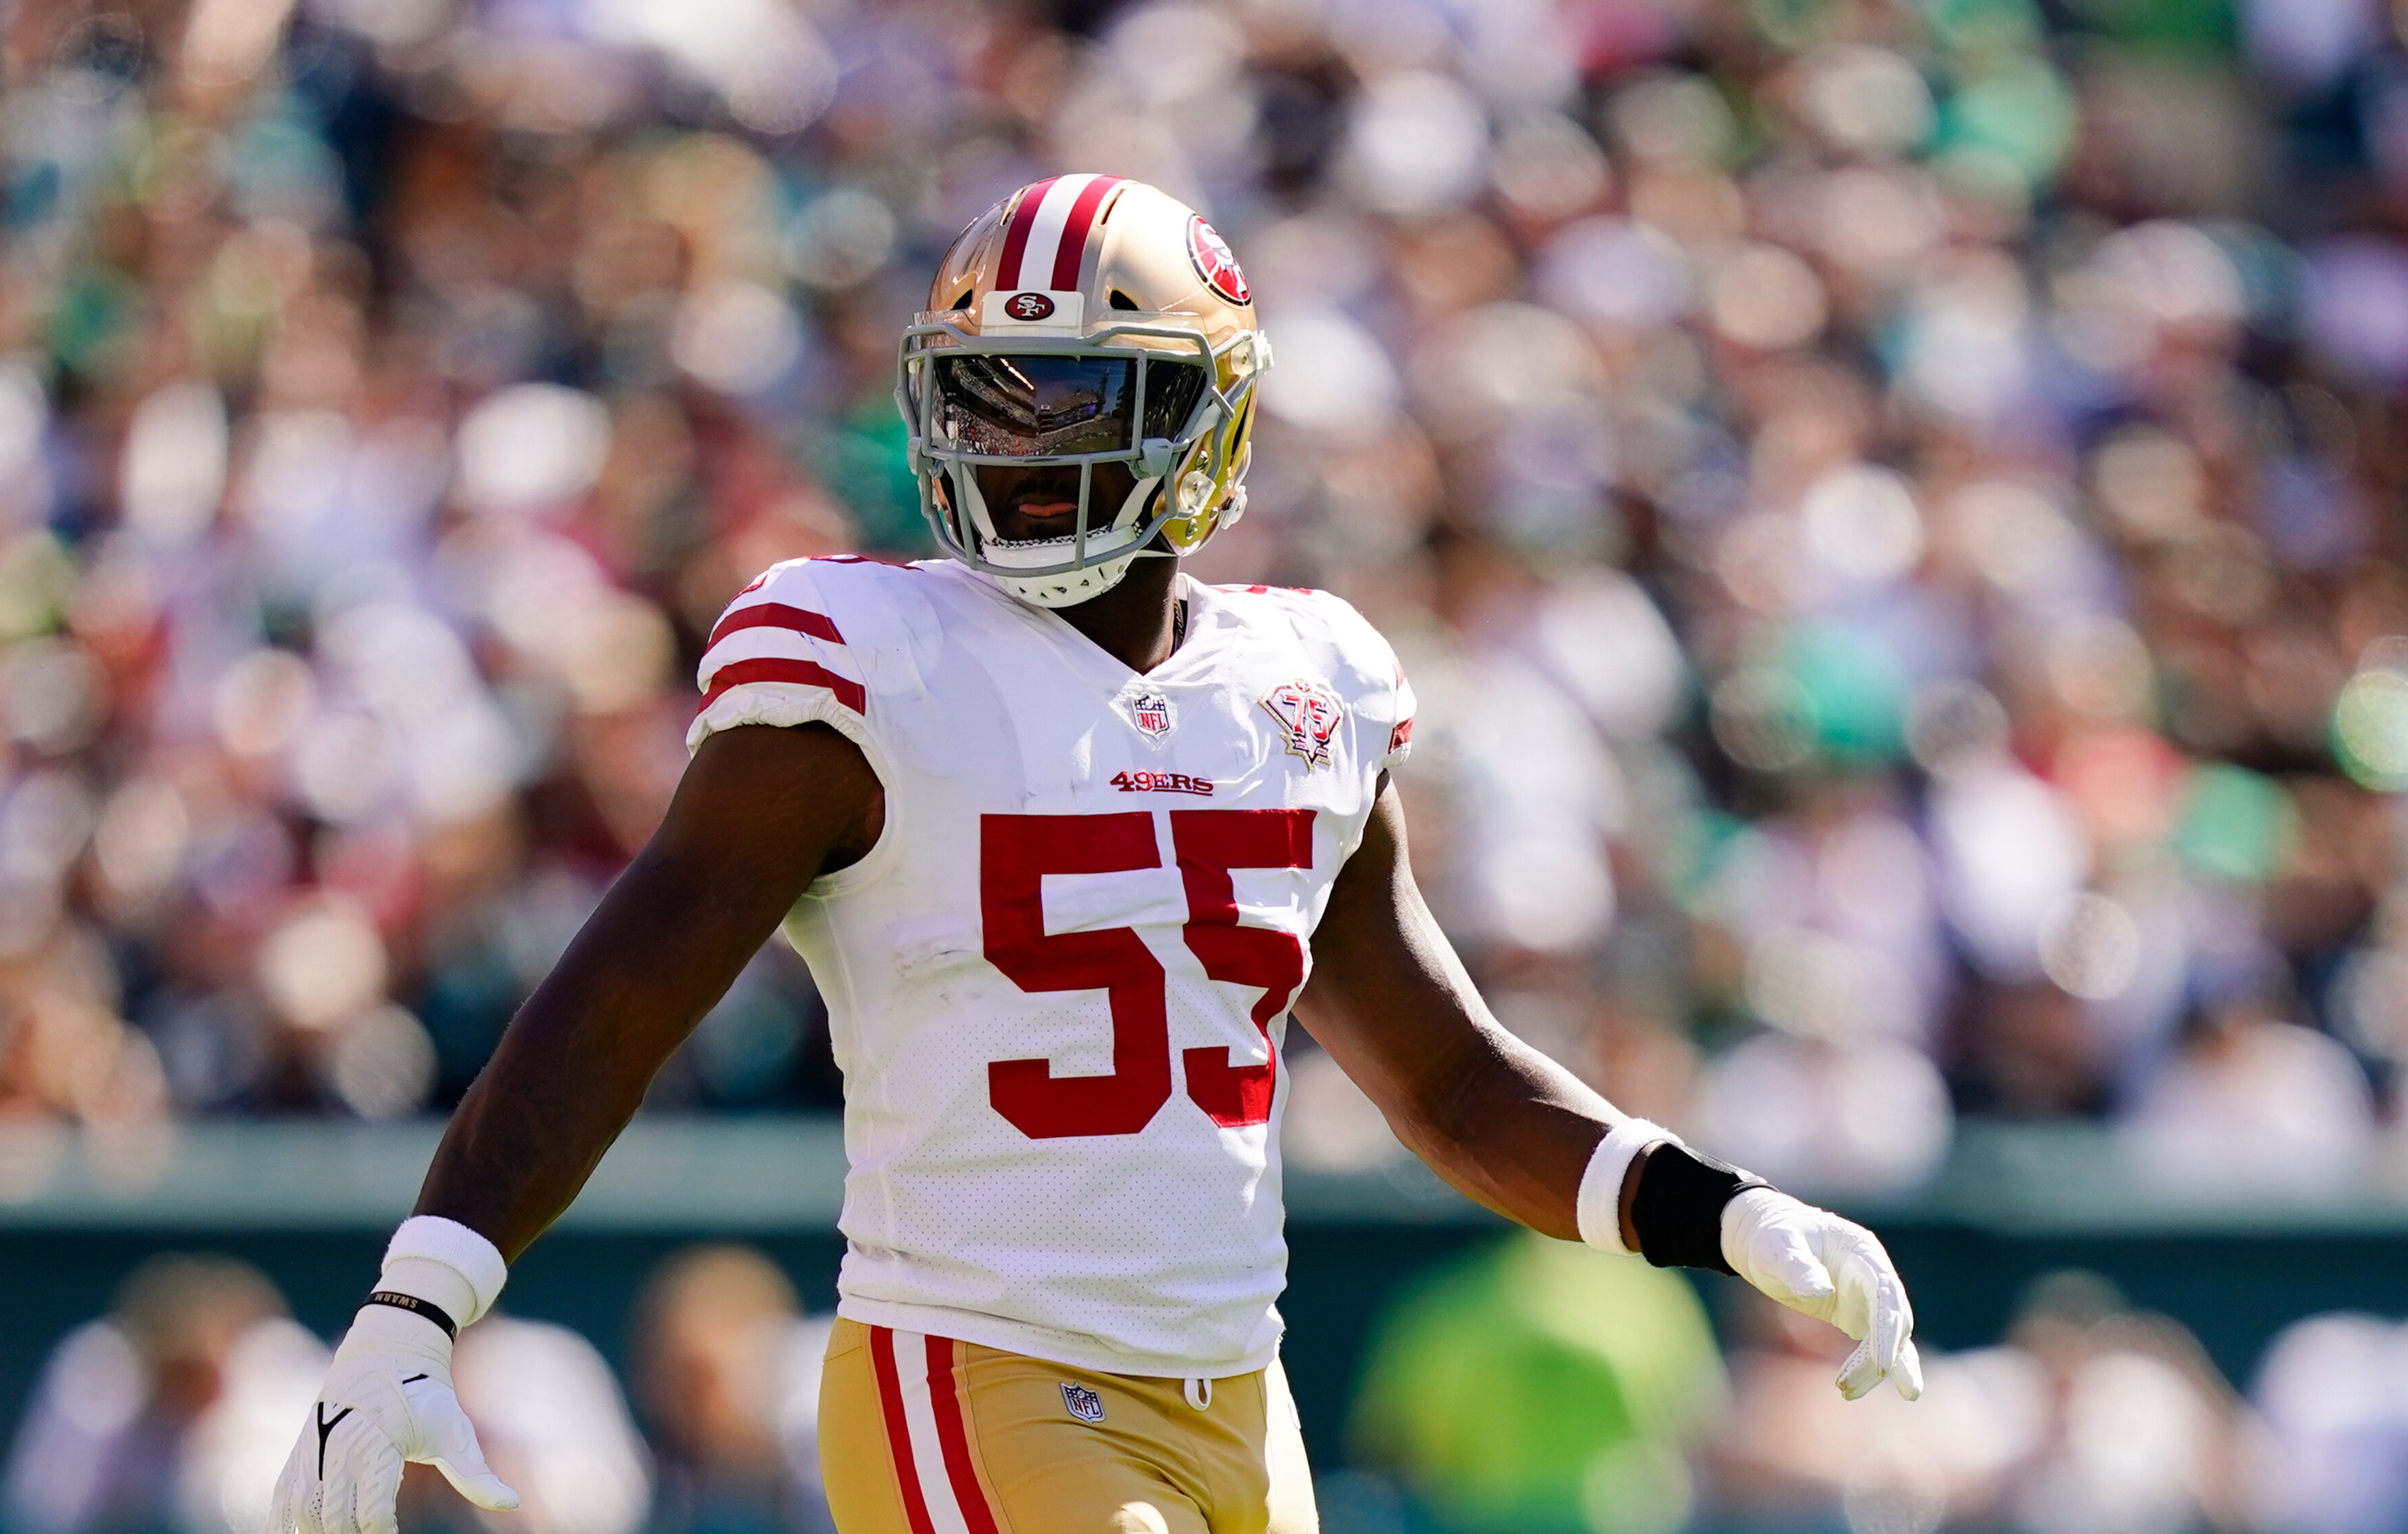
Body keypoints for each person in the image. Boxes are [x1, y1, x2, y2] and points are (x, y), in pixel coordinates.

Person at [270, 176, 1923, 1534]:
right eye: (982, 392)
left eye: (1076, 394)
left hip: (1232, 1390)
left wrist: (1709, 1209)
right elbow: (619, 999)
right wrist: (422, 1296)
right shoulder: (860, 670)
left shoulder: (1303, 682)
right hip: (974, 1366)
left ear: (1207, 420)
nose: (1017, 439)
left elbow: (1443, 1079)